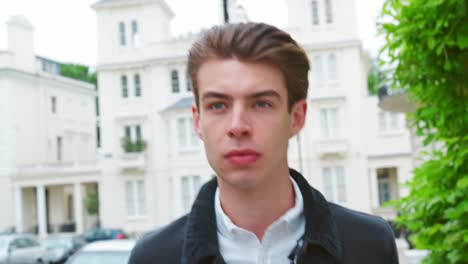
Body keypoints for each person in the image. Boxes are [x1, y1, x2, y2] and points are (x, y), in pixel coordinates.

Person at [129, 22, 398, 264]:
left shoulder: (370, 245)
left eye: (261, 103)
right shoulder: (153, 257)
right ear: (198, 121)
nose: (238, 126)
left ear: (296, 117)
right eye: (218, 105)